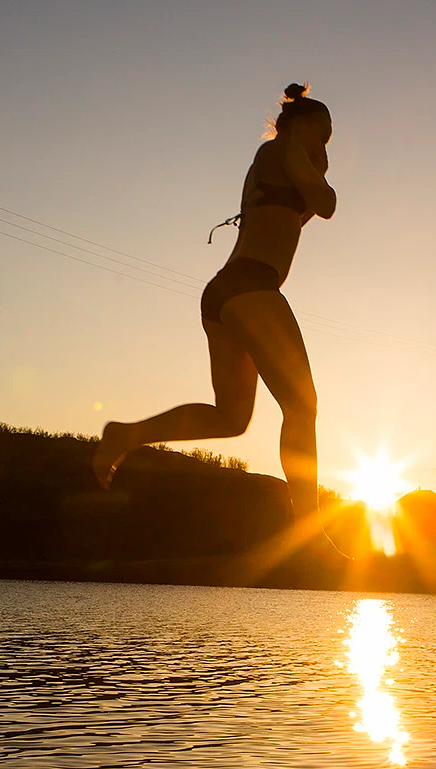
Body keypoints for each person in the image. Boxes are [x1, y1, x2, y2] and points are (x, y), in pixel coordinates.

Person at [93, 83, 336, 515]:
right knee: (303, 405)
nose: (324, 145)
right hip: (253, 287)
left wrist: (311, 182)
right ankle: (310, 530)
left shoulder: (269, 159)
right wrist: (320, 172)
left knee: (231, 419)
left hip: (225, 293)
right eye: (323, 135)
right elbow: (326, 201)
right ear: (301, 127)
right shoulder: (288, 148)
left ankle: (125, 435)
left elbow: (293, 213)